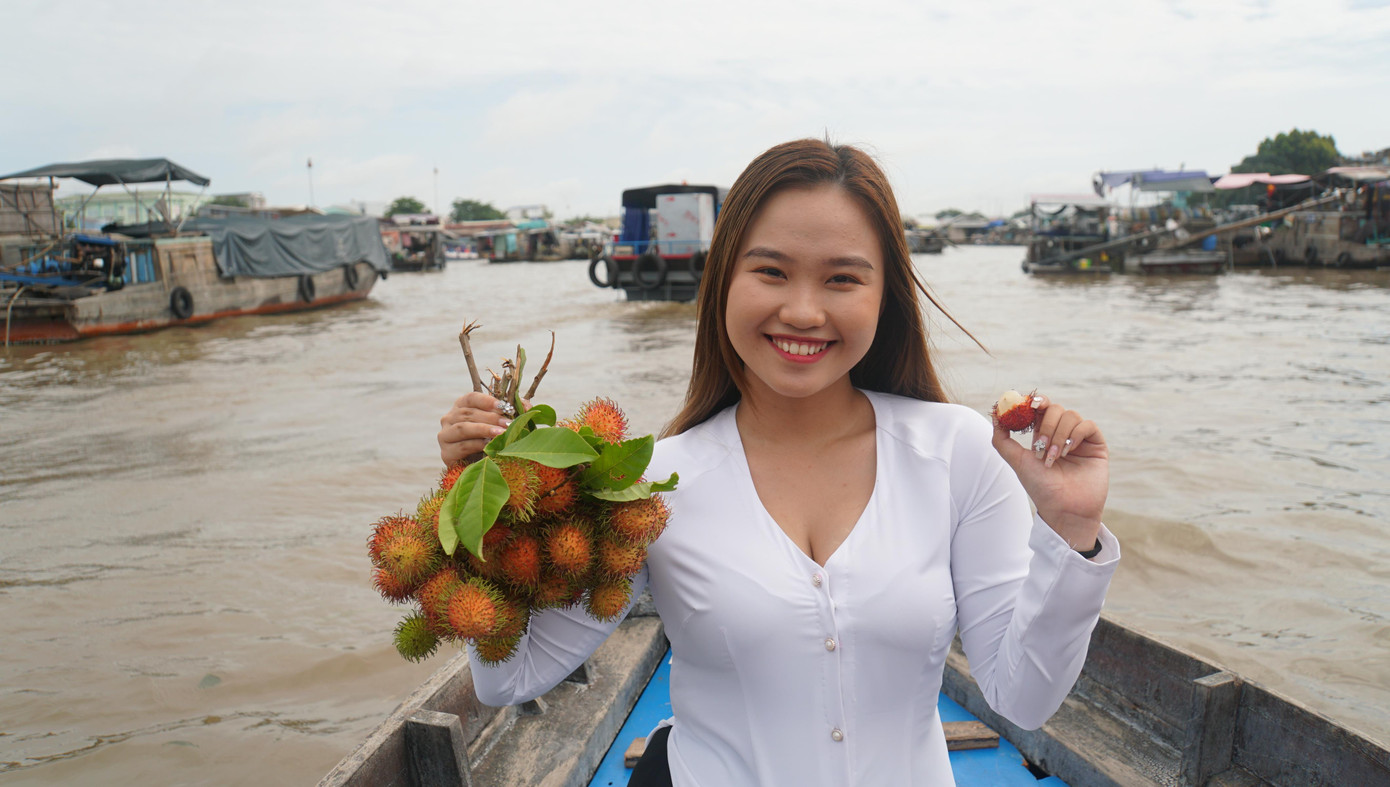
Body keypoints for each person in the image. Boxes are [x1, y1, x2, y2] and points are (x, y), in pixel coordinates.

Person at [436, 138, 1118, 786]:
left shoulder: (959, 450)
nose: (803, 311)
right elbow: (511, 677)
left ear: (885, 296)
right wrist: (484, 502)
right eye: (770, 271)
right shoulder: (648, 486)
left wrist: (1071, 528)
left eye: (842, 278)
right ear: (723, 281)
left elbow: (1022, 697)